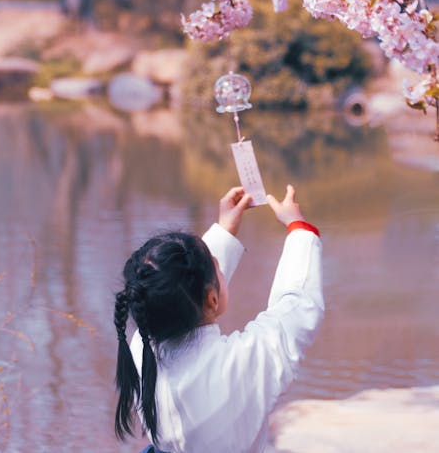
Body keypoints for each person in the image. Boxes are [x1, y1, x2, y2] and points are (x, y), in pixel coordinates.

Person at [114, 185, 324, 453]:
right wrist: (299, 230)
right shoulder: (241, 365)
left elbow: (179, 287)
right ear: (212, 299)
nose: (221, 270)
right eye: (217, 267)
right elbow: (298, 306)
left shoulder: (140, 347)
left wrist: (225, 229)